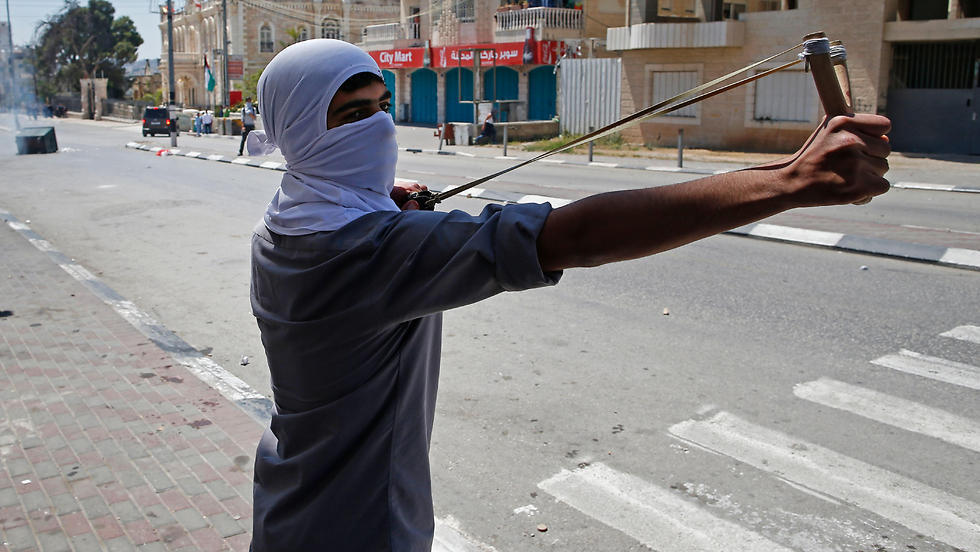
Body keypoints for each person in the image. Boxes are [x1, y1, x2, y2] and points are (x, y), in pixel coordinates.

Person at [246, 39, 890, 551]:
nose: (379, 127)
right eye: (353, 115)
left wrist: (384, 201)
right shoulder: (368, 252)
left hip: (290, 498)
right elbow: (576, 234)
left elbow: (352, 223)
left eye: (384, 105)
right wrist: (789, 181)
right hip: (357, 526)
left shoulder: (286, 222)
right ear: (300, 130)